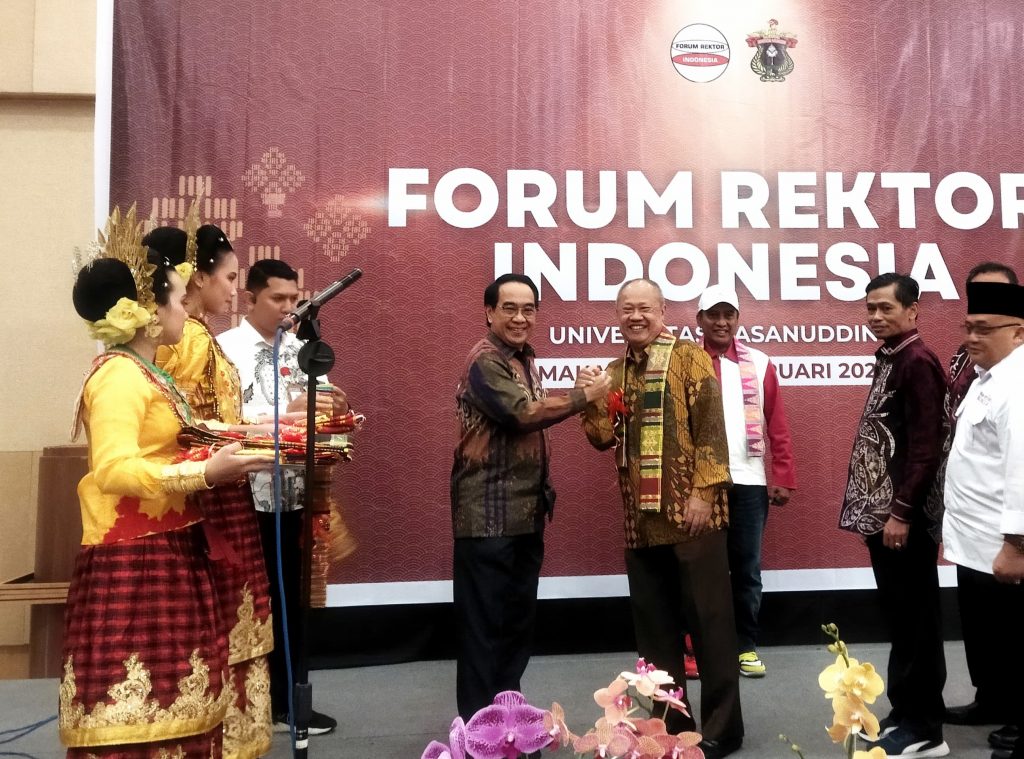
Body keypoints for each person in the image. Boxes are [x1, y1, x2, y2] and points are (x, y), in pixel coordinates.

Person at [61, 215, 271, 758]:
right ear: (150, 314)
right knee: (143, 713)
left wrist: (263, 437)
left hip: (174, 542)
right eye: (178, 299)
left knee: (188, 702)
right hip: (135, 556)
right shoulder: (118, 376)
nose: (185, 309)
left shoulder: (150, 373)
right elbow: (113, 469)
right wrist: (204, 473)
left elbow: (186, 434)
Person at [579, 278, 743, 759]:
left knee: (711, 630)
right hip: (641, 523)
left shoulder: (690, 358)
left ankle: (723, 731)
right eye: (627, 309)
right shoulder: (614, 371)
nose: (636, 316)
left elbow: (712, 429)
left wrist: (704, 493)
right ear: (617, 314)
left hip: (693, 518)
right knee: (655, 638)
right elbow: (601, 439)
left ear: (662, 310)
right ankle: (669, 729)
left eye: (645, 308)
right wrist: (589, 397)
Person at [450, 273, 611, 721]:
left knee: (514, 630)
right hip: (487, 519)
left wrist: (581, 391)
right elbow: (521, 414)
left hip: (525, 515)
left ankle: (508, 723)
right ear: (489, 312)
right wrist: (584, 396)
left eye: (528, 309)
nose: (520, 317)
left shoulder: (524, 359)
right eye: (509, 308)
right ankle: (480, 734)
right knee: (484, 631)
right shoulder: (484, 361)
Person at [148, 224, 276, 756]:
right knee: (222, 622)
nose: (233, 289)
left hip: (220, 484)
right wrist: (250, 438)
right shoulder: (190, 341)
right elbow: (180, 426)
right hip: (210, 494)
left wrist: (264, 428)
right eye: (227, 277)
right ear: (197, 279)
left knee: (230, 621)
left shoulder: (200, 336)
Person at [217, 257, 346, 736]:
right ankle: (244, 703)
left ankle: (289, 701)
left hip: (293, 493)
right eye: (278, 298)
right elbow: (220, 420)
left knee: (291, 598)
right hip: (242, 494)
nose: (289, 307)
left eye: (294, 298)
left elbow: (322, 407)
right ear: (250, 298)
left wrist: (334, 407)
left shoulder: (302, 349)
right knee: (250, 600)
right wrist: (286, 412)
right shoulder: (224, 350)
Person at [838, 273, 948, 759]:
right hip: (886, 520)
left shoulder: (917, 361)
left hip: (904, 521)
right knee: (902, 621)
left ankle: (926, 729)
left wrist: (901, 513)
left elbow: (926, 447)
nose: (876, 316)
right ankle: (906, 713)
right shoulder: (893, 357)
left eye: (886, 308)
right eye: (870, 308)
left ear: (912, 310)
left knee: (917, 622)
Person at [926, 263, 1018, 754]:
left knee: (1012, 633)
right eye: (969, 326)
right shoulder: (984, 377)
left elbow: (1021, 470)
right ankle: (993, 700)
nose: (971, 336)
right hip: (973, 536)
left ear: (1017, 330)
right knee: (983, 630)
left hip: (1004, 541)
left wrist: (1017, 545)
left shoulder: (1018, 384)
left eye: (983, 328)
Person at [695, 284, 796, 679]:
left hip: (749, 481)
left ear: (737, 319)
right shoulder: (686, 361)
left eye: (728, 315)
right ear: (700, 319)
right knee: (700, 569)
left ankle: (746, 647)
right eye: (713, 315)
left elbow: (778, 423)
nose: (721, 322)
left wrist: (783, 474)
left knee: (747, 568)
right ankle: (699, 648)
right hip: (699, 483)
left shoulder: (760, 362)